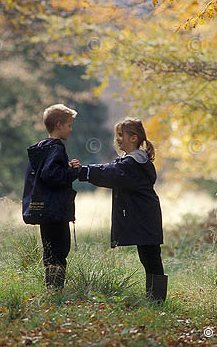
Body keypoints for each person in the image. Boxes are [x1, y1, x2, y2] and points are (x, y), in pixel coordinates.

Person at [74, 118, 167, 301]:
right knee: (148, 257)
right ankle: (155, 298)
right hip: (145, 215)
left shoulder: (134, 163)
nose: (117, 139)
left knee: (151, 257)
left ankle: (157, 300)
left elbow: (110, 173)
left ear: (133, 138)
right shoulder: (131, 161)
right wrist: (84, 171)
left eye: (121, 135)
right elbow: (111, 169)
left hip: (145, 216)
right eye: (117, 135)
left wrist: (83, 172)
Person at [22, 104, 80, 290]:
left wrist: (66, 168)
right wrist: (73, 173)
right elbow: (51, 175)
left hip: (44, 211)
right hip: (56, 211)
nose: (71, 129)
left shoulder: (42, 149)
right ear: (58, 125)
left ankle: (51, 289)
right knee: (60, 249)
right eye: (69, 125)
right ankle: (56, 290)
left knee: (49, 250)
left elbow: (47, 172)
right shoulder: (57, 148)